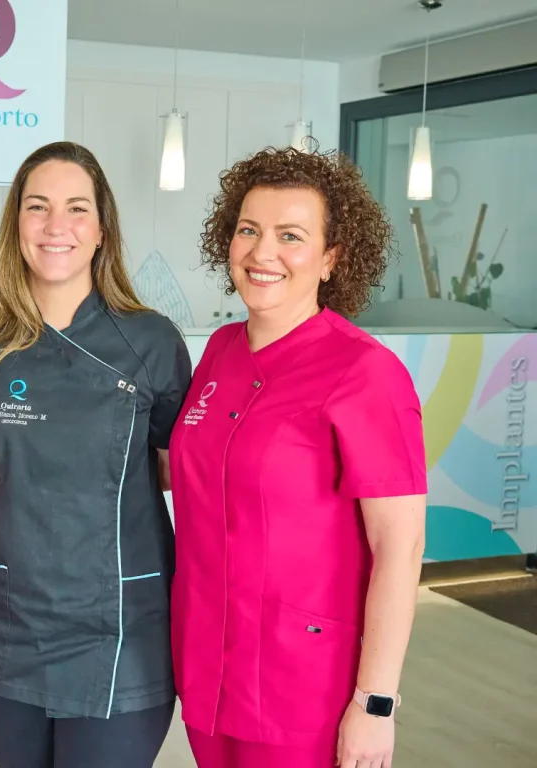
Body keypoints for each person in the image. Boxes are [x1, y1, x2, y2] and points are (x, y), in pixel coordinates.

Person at [168, 146, 428, 768]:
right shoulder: (220, 352)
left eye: (291, 236)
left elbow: (401, 549)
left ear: (332, 257)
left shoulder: (366, 373)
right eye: (249, 230)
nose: (262, 253)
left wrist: (377, 702)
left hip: (304, 681)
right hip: (206, 663)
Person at [0, 140, 193, 768]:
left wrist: (90, 488)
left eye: (77, 208)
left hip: (121, 625)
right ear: (15, 223)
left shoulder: (150, 341)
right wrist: (25, 491)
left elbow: (169, 465)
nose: (57, 226)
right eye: (38, 207)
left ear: (102, 229)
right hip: (4, 620)